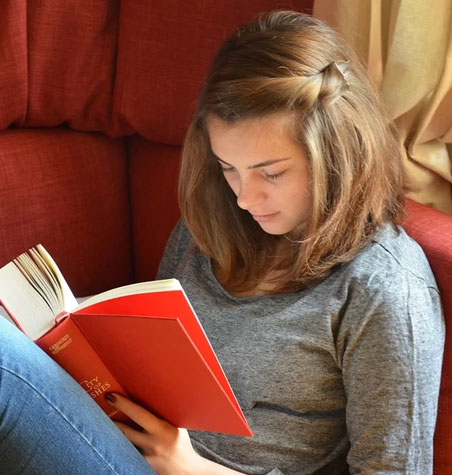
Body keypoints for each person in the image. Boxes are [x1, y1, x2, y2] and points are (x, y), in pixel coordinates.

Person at [0, 10, 445, 475]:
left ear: (339, 155)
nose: (245, 198)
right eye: (229, 168)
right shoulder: (213, 225)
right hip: (119, 449)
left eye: (272, 173)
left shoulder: (384, 287)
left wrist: (189, 466)